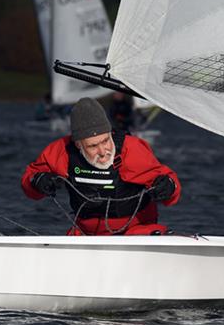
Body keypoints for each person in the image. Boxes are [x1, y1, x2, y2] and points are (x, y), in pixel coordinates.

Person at [21, 97, 180, 235]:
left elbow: (171, 189)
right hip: (86, 235)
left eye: (105, 141)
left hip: (136, 232)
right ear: (78, 145)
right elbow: (30, 179)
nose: (103, 151)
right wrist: (37, 181)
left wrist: (168, 187)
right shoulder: (62, 152)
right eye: (93, 146)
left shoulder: (131, 150)